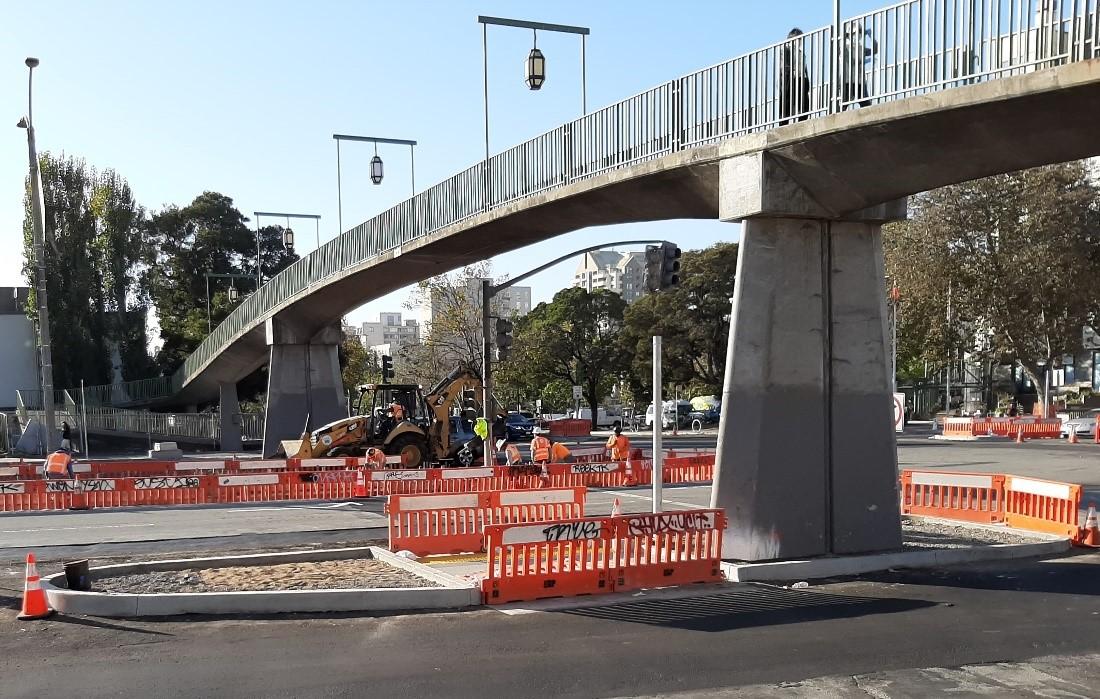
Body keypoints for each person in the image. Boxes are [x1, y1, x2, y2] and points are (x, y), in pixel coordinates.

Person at [778, 28, 810, 125]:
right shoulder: (785, 49)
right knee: (786, 107)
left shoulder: (801, 53)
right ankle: (783, 126)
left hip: (800, 80)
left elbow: (805, 68)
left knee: (804, 105)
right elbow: (785, 66)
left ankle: (801, 124)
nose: (801, 41)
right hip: (789, 81)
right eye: (799, 39)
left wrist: (807, 81)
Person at [842, 21, 877, 108]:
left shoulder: (861, 48)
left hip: (860, 80)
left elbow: (875, 50)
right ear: (848, 35)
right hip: (848, 81)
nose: (856, 35)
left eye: (859, 33)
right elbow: (851, 61)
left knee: (866, 105)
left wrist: (870, 36)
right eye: (853, 33)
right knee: (843, 105)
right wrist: (865, 61)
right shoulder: (845, 47)